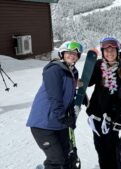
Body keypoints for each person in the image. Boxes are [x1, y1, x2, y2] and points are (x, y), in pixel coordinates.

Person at [26, 41, 83, 169]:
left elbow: (68, 97)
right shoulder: (54, 70)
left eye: (75, 54)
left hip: (58, 123)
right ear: (62, 54)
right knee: (56, 160)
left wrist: (72, 114)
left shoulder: (72, 72)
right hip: (43, 124)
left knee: (68, 156)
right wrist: (63, 116)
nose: (72, 55)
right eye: (69, 53)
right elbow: (55, 96)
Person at [86, 37, 121, 169]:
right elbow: (89, 82)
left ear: (117, 51)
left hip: (112, 117)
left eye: (112, 50)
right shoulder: (99, 65)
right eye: (106, 50)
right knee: (100, 149)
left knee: (112, 150)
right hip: (96, 115)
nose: (109, 53)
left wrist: (119, 117)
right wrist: (84, 76)